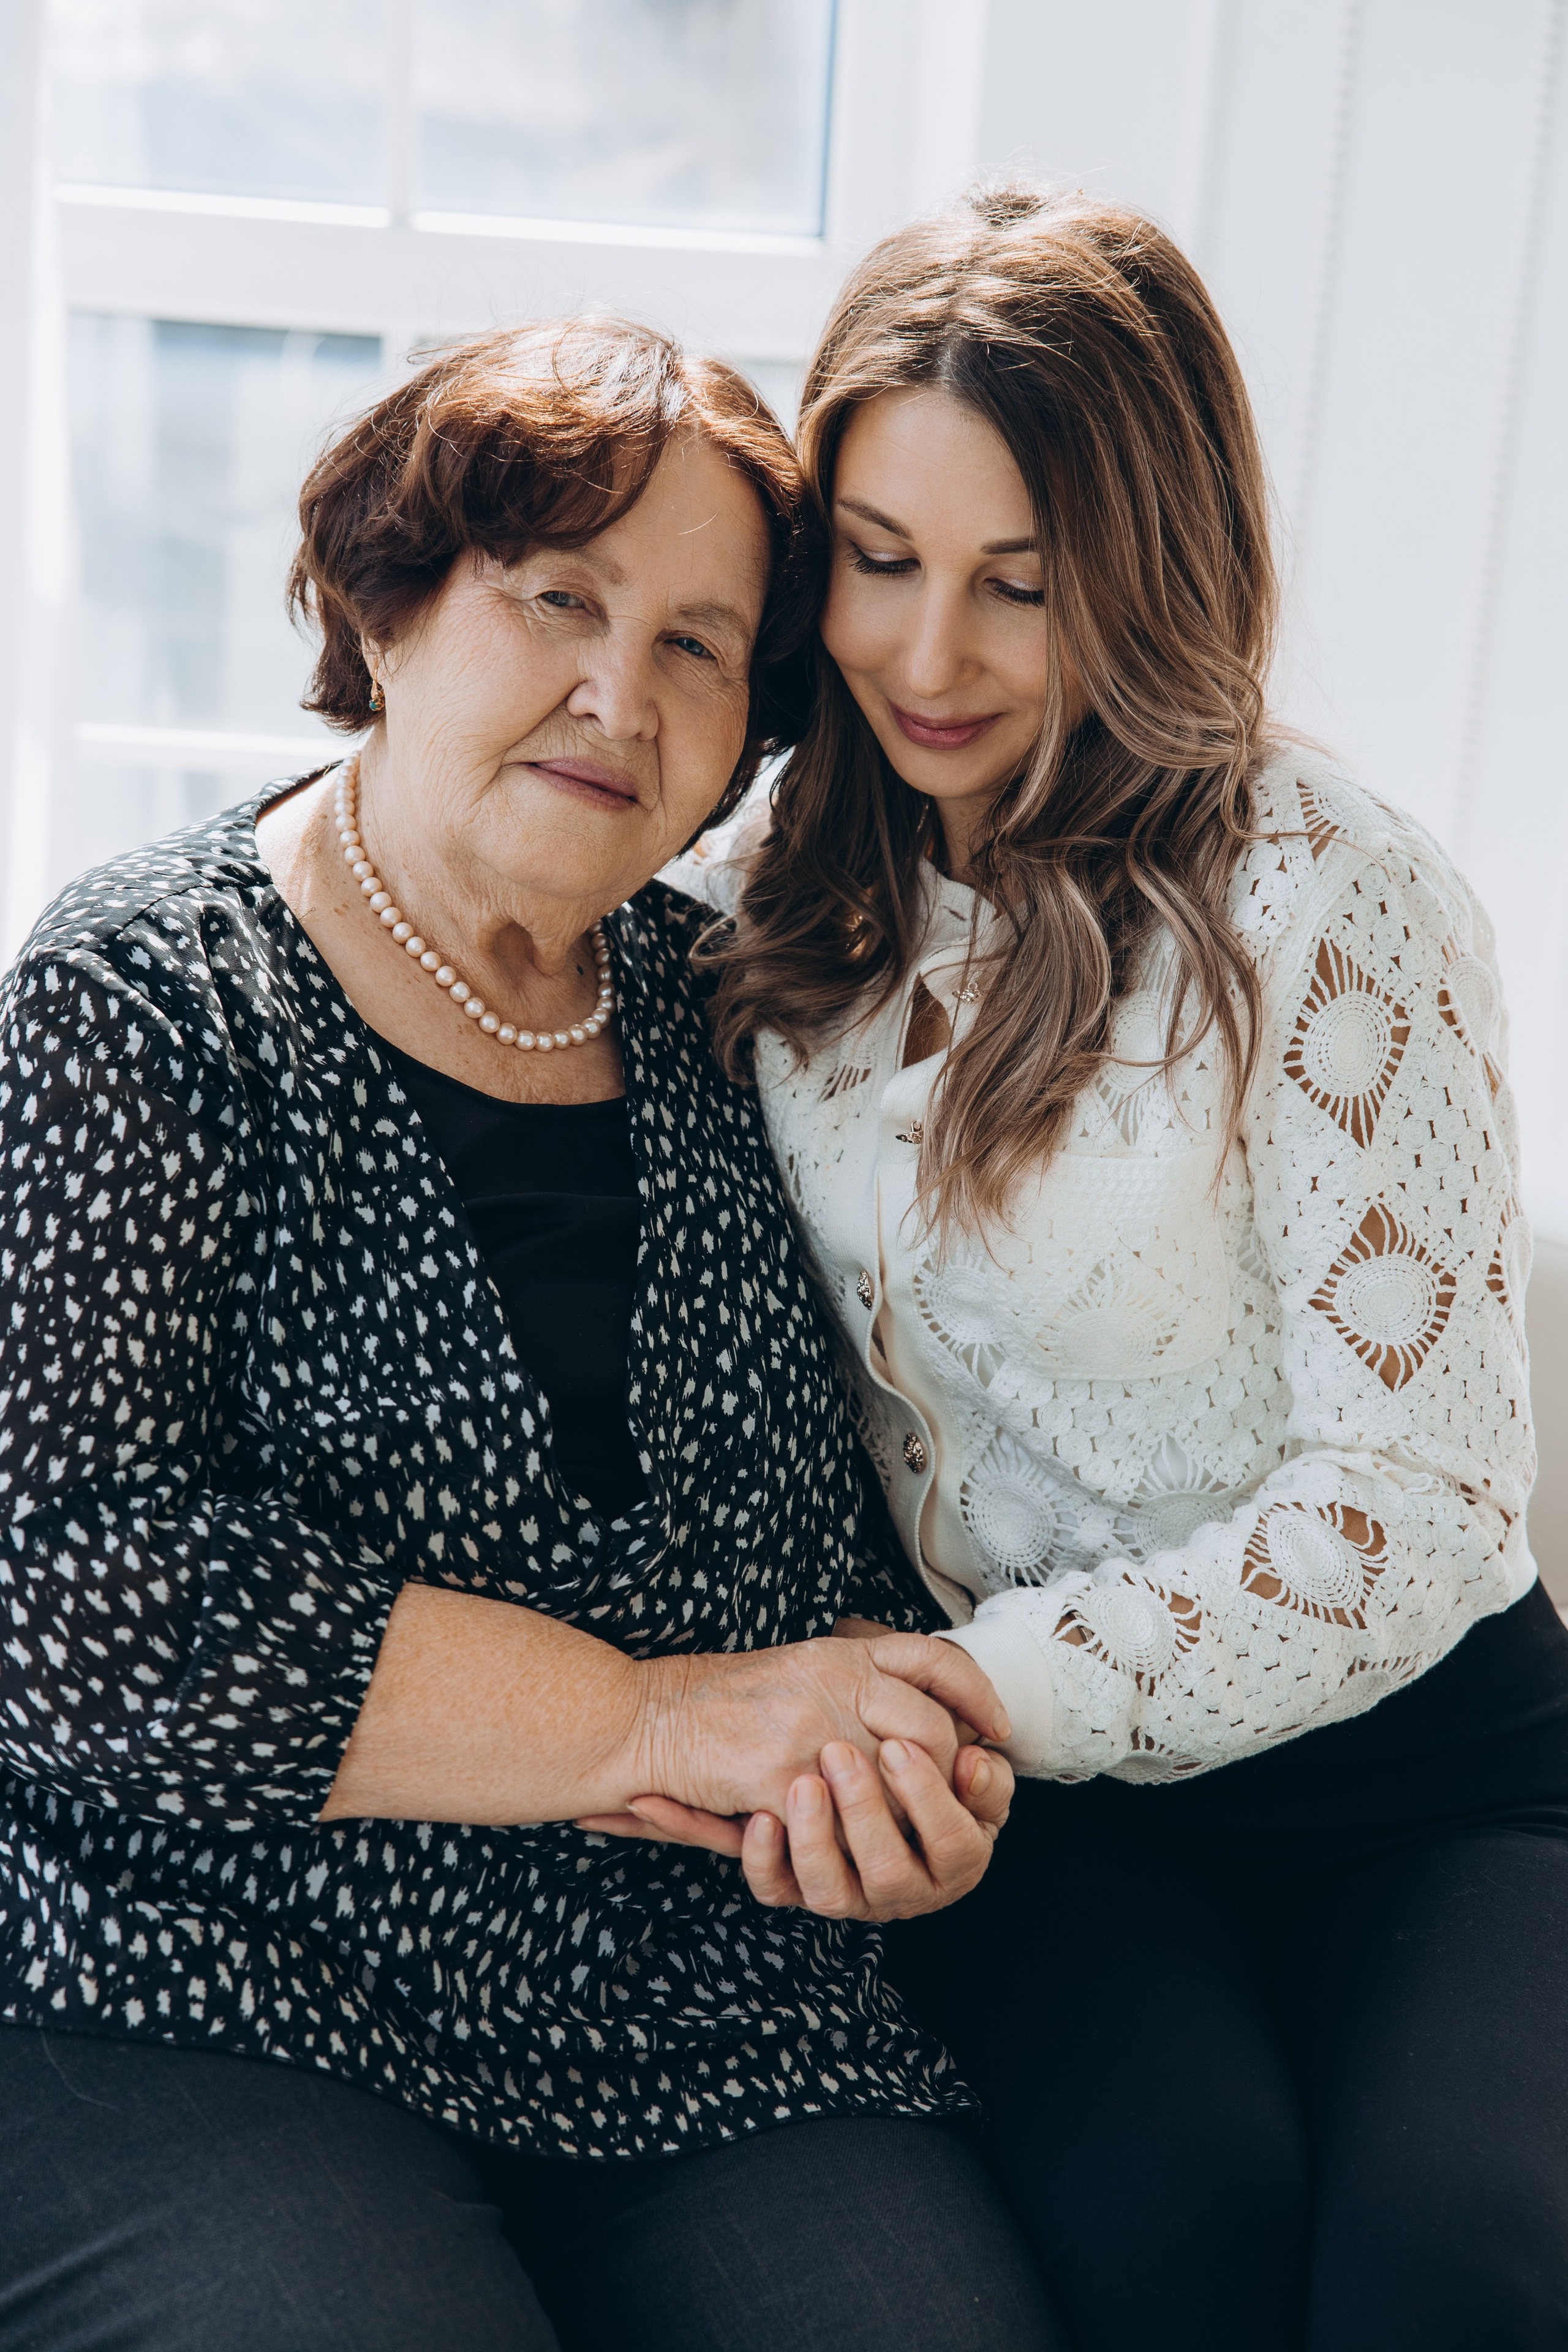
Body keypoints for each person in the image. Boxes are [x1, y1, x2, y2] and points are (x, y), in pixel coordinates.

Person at [0, 318, 1061, 2352]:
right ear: (387, 607)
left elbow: (853, 1551)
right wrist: (656, 1722)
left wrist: (889, 1796)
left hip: (689, 1985)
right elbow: (75, 1598)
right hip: (207, 1970)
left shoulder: (748, 1017)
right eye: (559, 597)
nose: (618, 693)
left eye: (698, 646)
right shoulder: (143, 993)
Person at [673, 185, 1568, 2350]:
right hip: (1038, 1823)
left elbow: (1431, 1499)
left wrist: (979, 1690)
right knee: (1172, 2235)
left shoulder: (1328, 898)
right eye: (878, 564)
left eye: (1021, 586)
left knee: (1447, 2279)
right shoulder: (747, 893)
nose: (928, 658)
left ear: (1149, 576)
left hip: (1417, 1769)